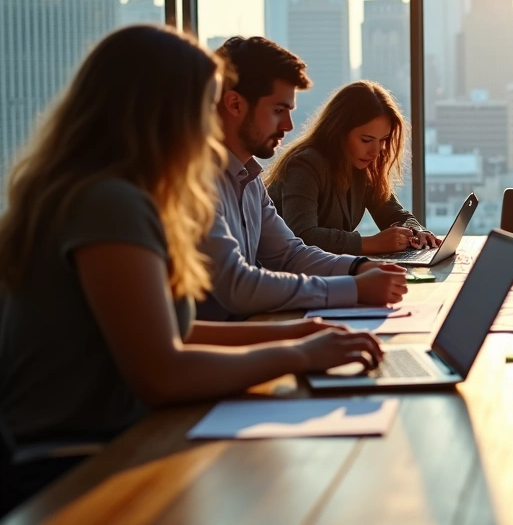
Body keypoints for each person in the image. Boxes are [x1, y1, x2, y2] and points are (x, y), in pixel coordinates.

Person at [0, 26, 383, 511]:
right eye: (206, 106)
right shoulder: (108, 203)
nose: (213, 124)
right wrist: (298, 356)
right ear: (163, 111)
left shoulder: (110, 193)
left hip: (111, 444)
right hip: (73, 467)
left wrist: (300, 335)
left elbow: (171, 334)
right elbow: (161, 372)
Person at [199, 37, 408, 321]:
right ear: (235, 104)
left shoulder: (249, 179)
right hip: (220, 340)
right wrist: (354, 287)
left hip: (250, 326)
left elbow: (290, 254)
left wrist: (358, 267)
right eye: (278, 111)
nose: (288, 126)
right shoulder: (197, 182)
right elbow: (238, 286)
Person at [265, 80, 437, 256]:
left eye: (383, 140)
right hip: (281, 269)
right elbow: (303, 235)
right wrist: (372, 244)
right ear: (338, 132)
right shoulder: (305, 164)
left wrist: (417, 232)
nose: (375, 152)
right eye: (366, 140)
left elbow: (394, 214)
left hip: (324, 269)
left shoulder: (362, 166)